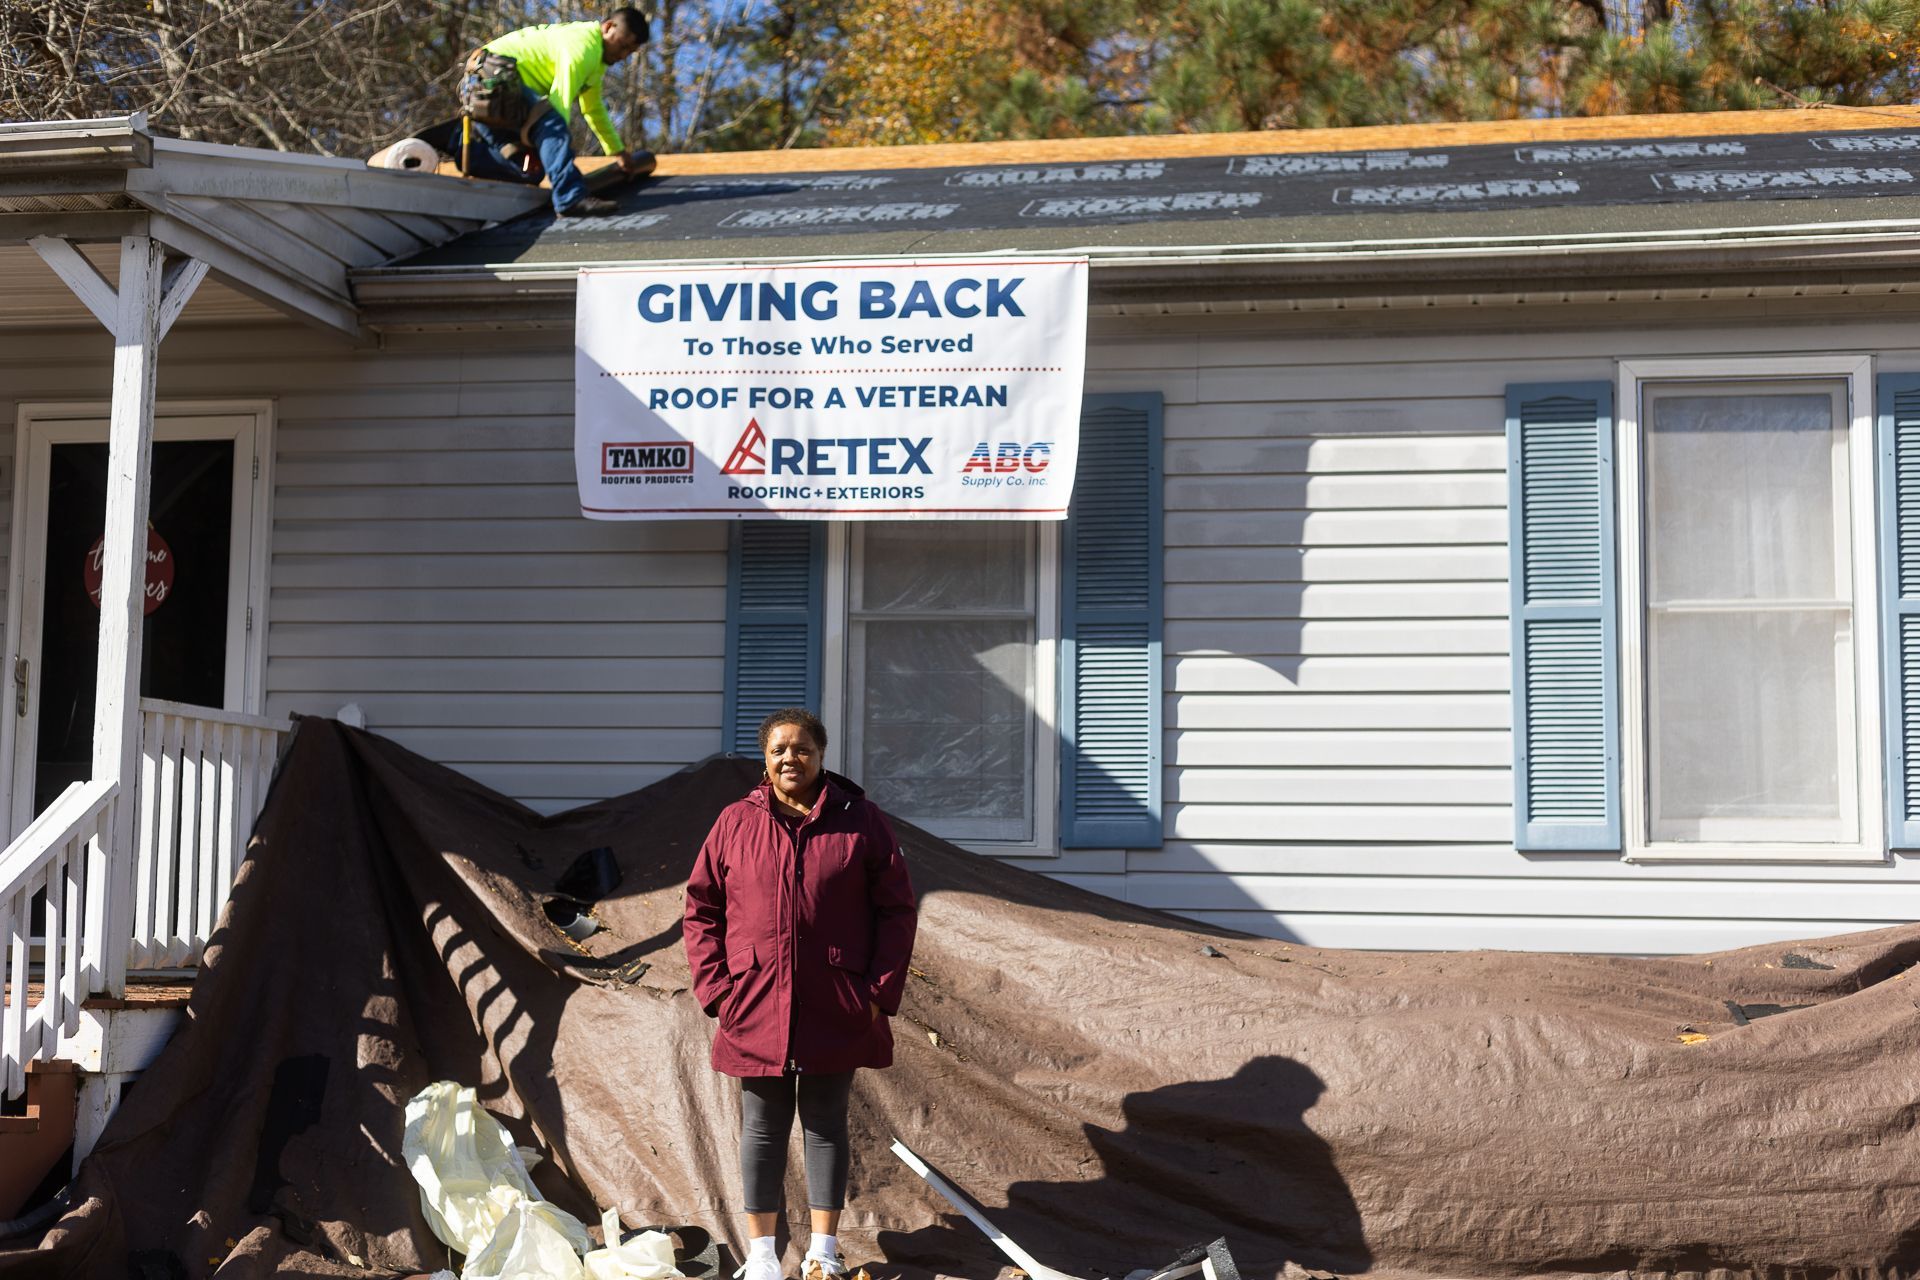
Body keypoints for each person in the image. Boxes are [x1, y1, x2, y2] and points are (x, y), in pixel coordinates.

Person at [683, 709, 918, 1280]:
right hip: (754, 1000)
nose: (791, 758)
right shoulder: (735, 823)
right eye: (779, 750)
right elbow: (701, 910)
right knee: (761, 1129)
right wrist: (719, 990)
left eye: (802, 749)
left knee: (825, 1123)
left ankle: (823, 1252)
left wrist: (876, 994)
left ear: (821, 754)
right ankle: (762, 1258)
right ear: (765, 760)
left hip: (837, 1002)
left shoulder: (861, 821)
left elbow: (896, 911)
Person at [464, 7, 652, 217]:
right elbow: (558, 105)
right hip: (492, 73)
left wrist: (618, 151)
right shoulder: (583, 46)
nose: (624, 55)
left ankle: (468, 151)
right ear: (608, 27)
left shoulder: (596, 61)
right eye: (623, 46)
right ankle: (570, 198)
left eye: (631, 51)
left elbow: (593, 109)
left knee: (529, 171)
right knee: (551, 122)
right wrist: (551, 145)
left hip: (488, 87)